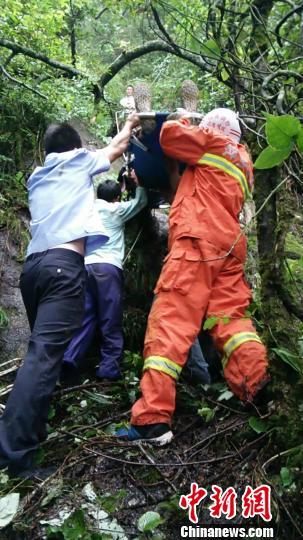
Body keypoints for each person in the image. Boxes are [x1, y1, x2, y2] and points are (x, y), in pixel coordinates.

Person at [118, 108, 269, 446]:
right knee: (231, 321)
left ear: (212, 128)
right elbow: (193, 188)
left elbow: (169, 136)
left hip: (197, 242)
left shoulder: (211, 142)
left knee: (170, 320)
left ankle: (152, 420)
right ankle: (258, 388)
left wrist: (177, 116)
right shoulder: (243, 160)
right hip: (228, 247)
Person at [0, 116, 139, 477]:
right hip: (63, 266)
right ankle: (14, 455)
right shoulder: (77, 161)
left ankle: (28, 434)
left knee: (40, 355)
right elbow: (118, 147)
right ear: (76, 148)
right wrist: (130, 123)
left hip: (33, 270)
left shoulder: (37, 176)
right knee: (43, 359)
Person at [62, 171, 148, 380]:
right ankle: (108, 368)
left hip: (85, 267)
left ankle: (69, 359)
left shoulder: (88, 211)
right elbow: (141, 201)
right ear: (116, 198)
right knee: (110, 317)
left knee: (86, 316)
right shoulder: (115, 210)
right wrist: (139, 182)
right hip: (107, 268)